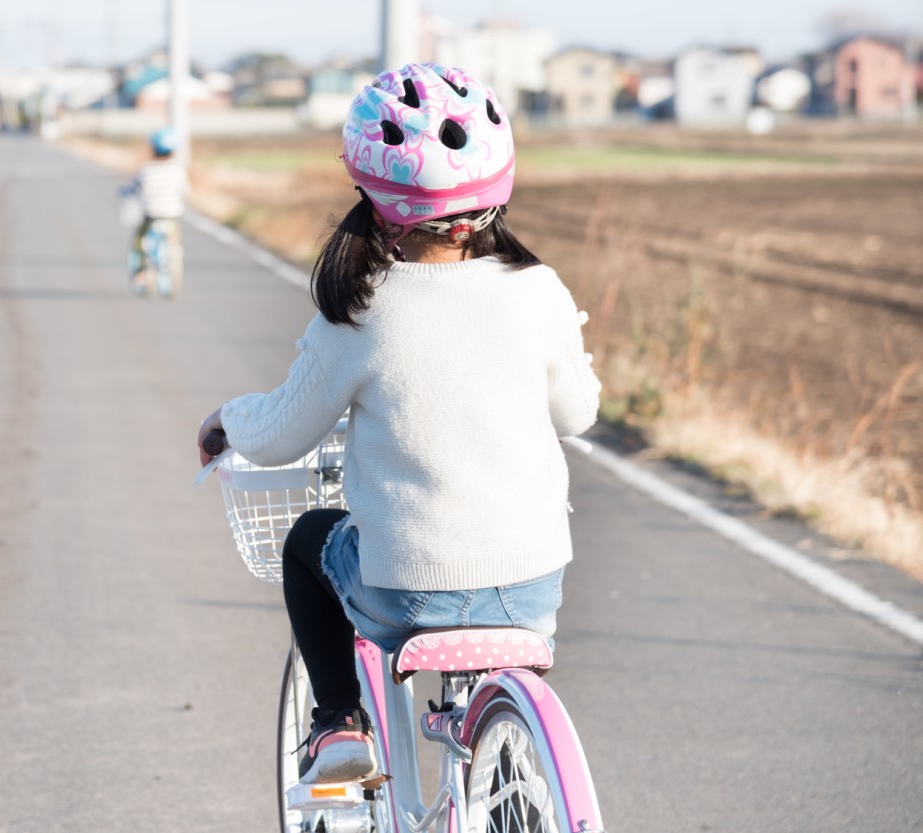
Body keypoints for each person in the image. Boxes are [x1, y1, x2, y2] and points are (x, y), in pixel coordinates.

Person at [196, 63, 601, 786]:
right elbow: (579, 412)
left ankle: (338, 725)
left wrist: (229, 421)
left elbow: (282, 432)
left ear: (373, 197)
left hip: (409, 593)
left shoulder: (362, 309)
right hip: (535, 588)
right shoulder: (538, 290)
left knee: (309, 541)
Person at [125, 127, 189, 295]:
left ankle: (140, 271)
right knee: (175, 237)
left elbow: (134, 188)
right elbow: (186, 191)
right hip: (172, 214)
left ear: (152, 148)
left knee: (139, 241)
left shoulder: (146, 170)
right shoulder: (178, 170)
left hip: (151, 214)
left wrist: (125, 192)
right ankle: (173, 254)